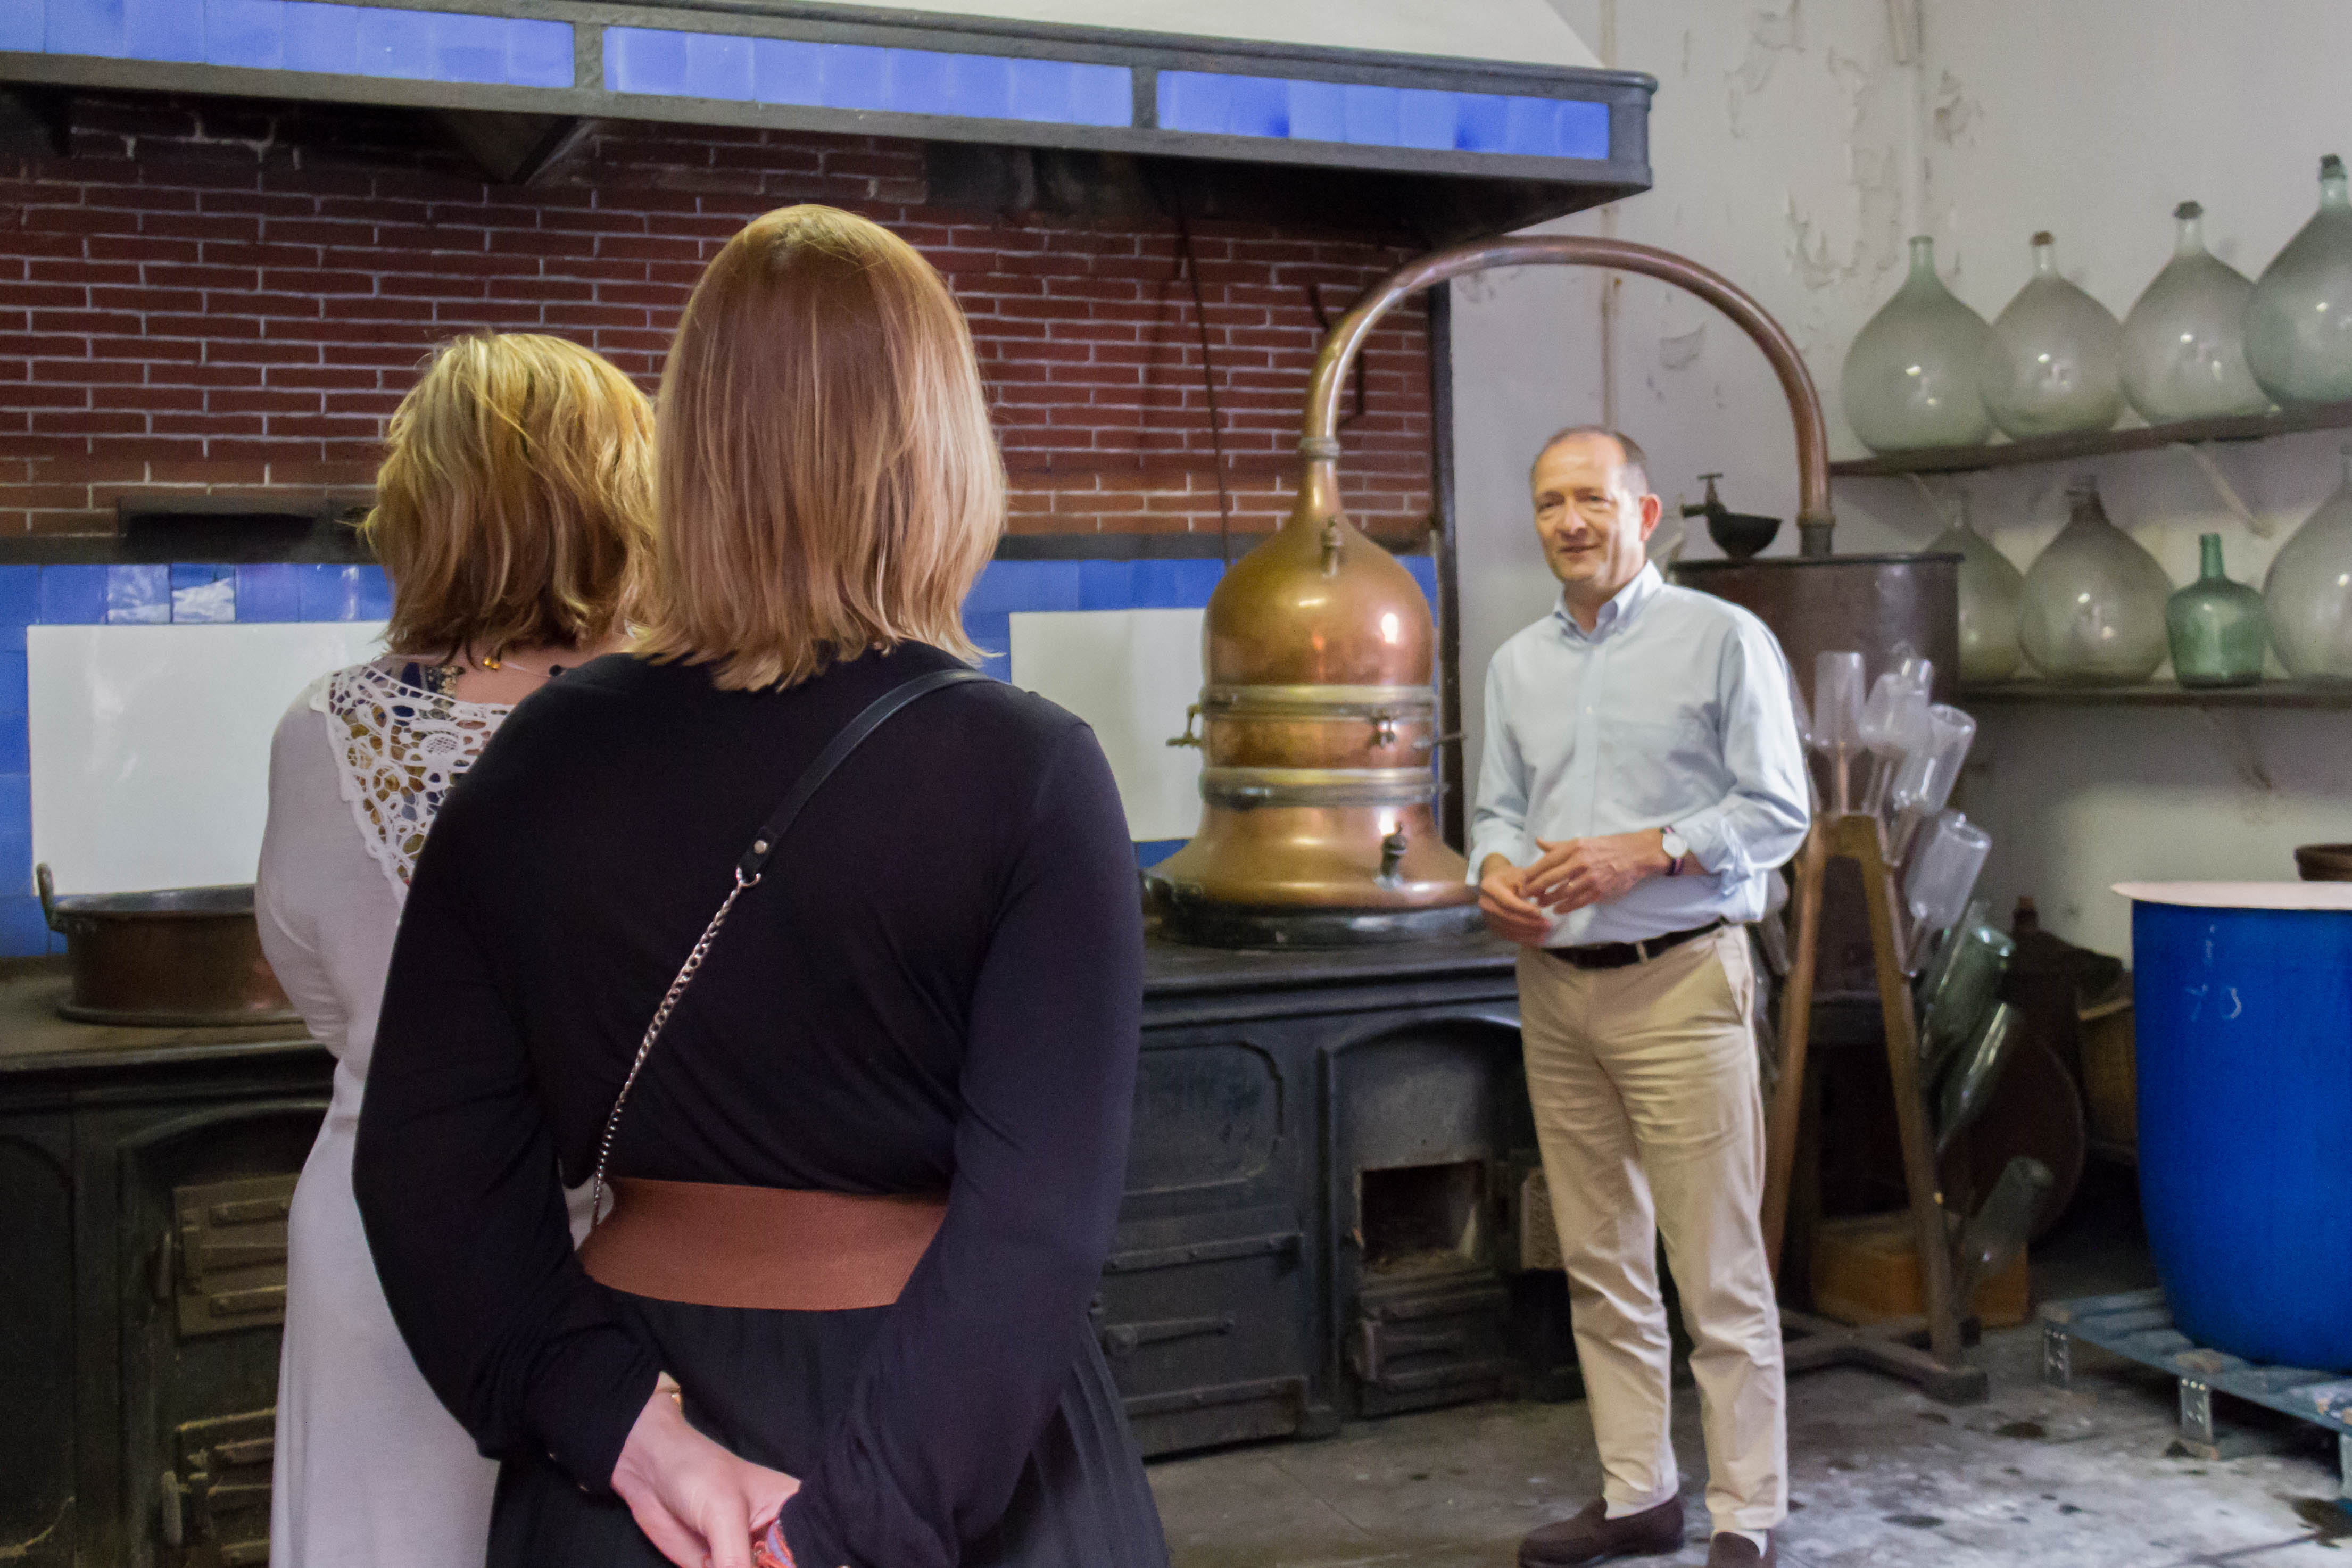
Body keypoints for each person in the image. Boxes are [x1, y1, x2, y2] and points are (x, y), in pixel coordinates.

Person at [352, 204, 1167, 1568]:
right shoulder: (1029, 771)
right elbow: (1037, 1230)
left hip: (639, 1475)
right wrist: (846, 1528)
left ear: (692, 450)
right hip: (955, 1455)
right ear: (942, 447)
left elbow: (424, 1177)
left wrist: (626, 1432)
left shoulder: (538, 759)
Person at [258, 331, 657, 1568]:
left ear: (420, 510)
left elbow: (313, 977)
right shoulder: (683, 718)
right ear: (627, 500)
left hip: (384, 1244)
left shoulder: (332, 729)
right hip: (622, 1241)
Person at [1471, 428, 1810, 1568]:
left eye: (1591, 499)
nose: (1569, 520)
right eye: (1548, 501)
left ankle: (1745, 1514)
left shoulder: (1722, 639)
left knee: (1712, 1264)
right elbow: (1496, 811)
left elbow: (1778, 811)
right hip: (1554, 987)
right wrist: (1494, 876)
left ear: (1645, 512)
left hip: (1678, 981)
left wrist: (1651, 850)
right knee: (1598, 1259)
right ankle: (1638, 1495)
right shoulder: (1516, 662)